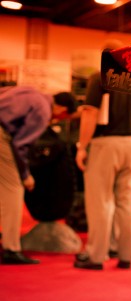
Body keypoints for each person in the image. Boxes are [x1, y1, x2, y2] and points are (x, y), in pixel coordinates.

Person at [74, 42, 131, 271]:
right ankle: (125, 255)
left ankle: (96, 256)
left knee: (100, 202)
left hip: (104, 144)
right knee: (128, 203)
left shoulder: (100, 77)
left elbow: (90, 112)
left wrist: (82, 147)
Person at [0, 86, 77, 264]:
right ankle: (11, 249)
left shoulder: (30, 92)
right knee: (14, 189)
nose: (58, 120)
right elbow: (20, 145)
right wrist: (26, 175)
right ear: (62, 109)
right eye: (63, 117)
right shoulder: (43, 111)